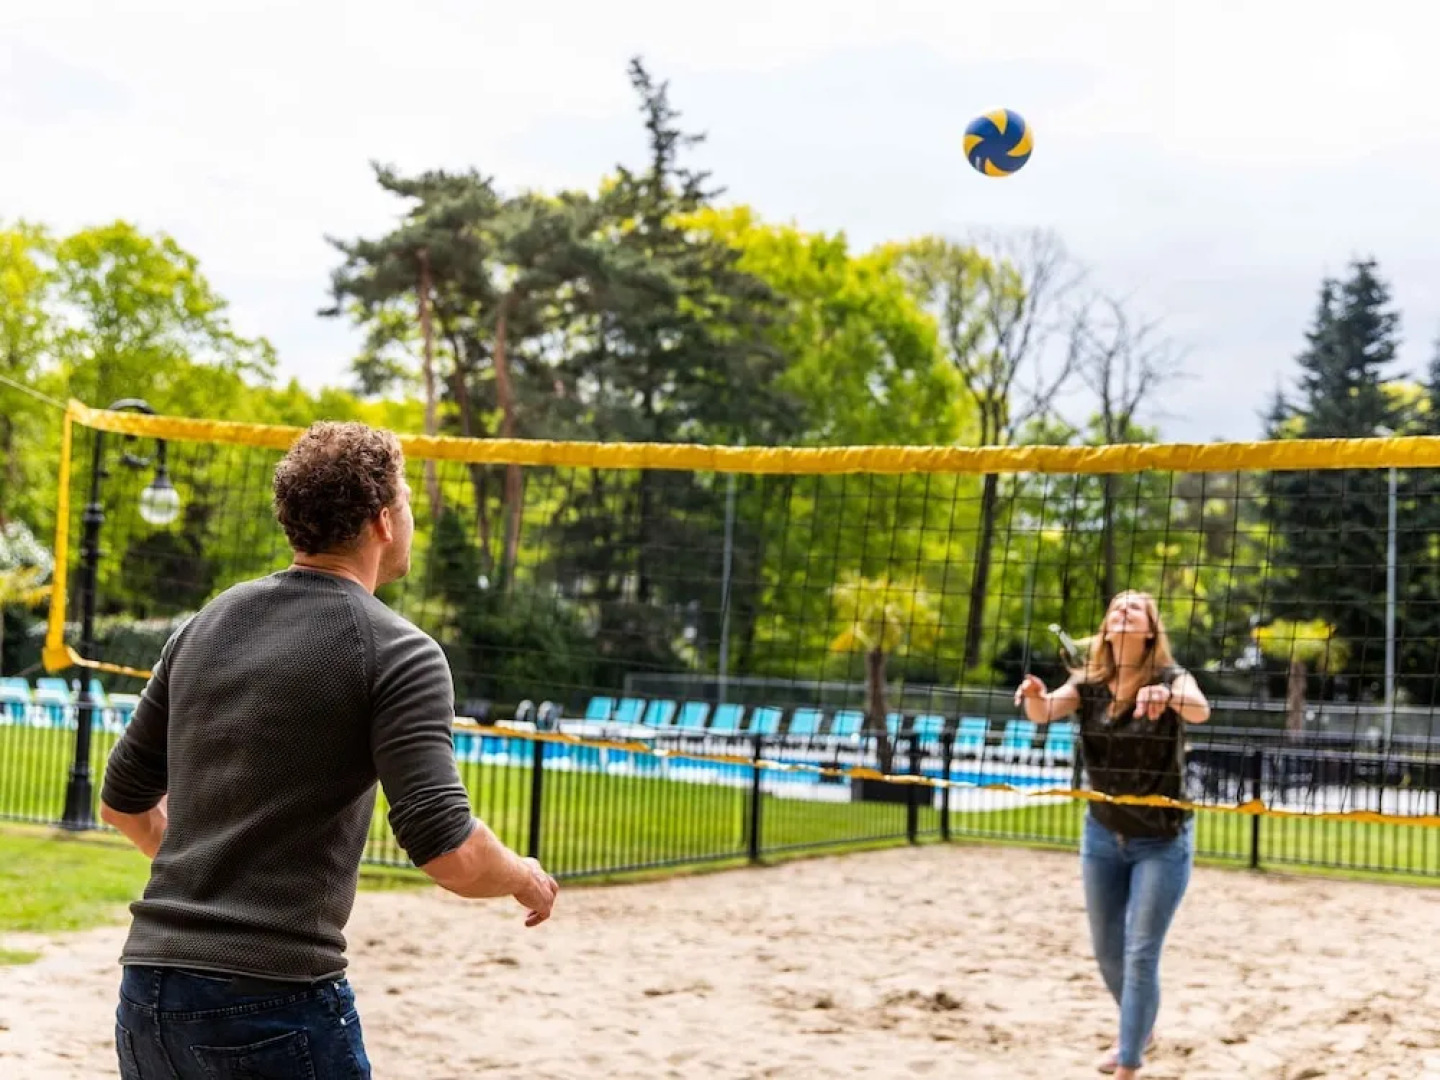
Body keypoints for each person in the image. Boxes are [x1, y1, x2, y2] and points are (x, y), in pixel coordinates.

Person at [98, 420, 558, 1079]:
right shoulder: (398, 650)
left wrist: (206, 881)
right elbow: (447, 851)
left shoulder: (208, 622)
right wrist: (525, 877)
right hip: (271, 998)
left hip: (148, 993)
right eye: (405, 500)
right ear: (382, 520)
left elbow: (122, 804)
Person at [1014, 590, 1210, 1078]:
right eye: (1116, 608)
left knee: (1141, 951)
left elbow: (1201, 709)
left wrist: (1167, 696)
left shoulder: (1170, 677)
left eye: (1134, 609)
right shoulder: (1090, 682)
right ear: (1106, 628)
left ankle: (1128, 1061)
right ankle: (1139, 1025)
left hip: (1162, 841)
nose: (1122, 612)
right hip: (1102, 834)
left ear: (1149, 631)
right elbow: (1043, 714)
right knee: (1107, 950)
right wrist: (1036, 697)